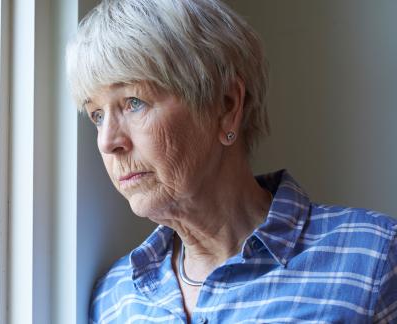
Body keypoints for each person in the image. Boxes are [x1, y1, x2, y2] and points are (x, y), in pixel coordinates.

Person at [65, 0, 397, 322]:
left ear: (226, 106)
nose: (108, 141)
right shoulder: (114, 298)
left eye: (133, 102)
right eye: (96, 115)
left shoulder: (375, 258)